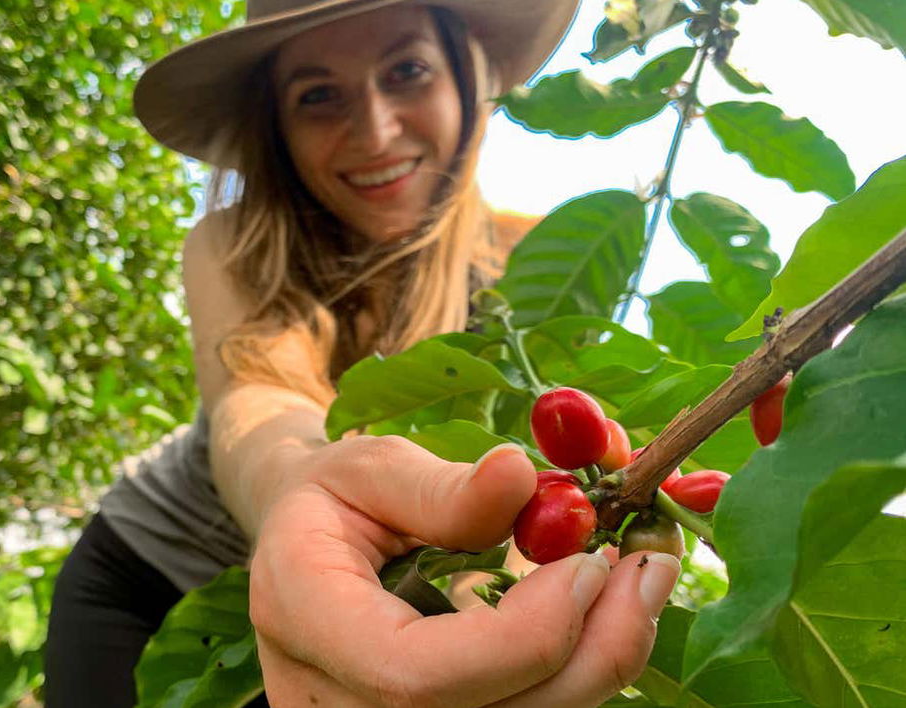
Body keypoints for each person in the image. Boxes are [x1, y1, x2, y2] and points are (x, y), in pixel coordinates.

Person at [44, 0, 682, 706]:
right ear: (277, 128)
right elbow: (257, 399)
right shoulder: (236, 241)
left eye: (407, 70)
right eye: (318, 96)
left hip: (370, 609)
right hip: (147, 575)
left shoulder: (535, 273)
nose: (376, 131)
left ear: (465, 81)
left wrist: (483, 605)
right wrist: (300, 488)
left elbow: (523, 483)